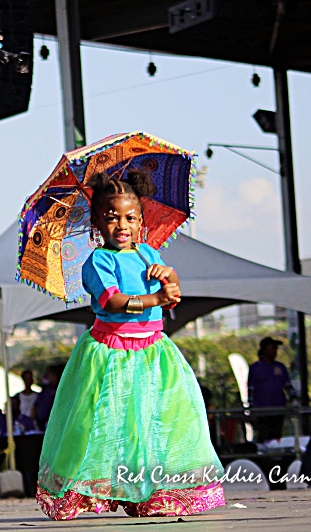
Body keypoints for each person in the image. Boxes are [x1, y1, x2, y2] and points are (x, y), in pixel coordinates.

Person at [35, 171, 225, 520]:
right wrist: (156, 297)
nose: (121, 225)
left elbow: (173, 283)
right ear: (96, 222)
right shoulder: (99, 261)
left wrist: (168, 278)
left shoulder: (147, 252)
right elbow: (112, 301)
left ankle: (148, 493)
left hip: (152, 352)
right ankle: (92, 491)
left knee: (152, 424)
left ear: (141, 220)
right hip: (110, 355)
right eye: (111, 218)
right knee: (107, 426)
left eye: (130, 218)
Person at [247, 337, 295, 442]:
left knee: (277, 435)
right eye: (272, 348)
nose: (275, 351)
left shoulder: (280, 367)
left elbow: (287, 385)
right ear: (264, 349)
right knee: (264, 434)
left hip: (279, 408)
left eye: (276, 349)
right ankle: (264, 456)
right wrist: (251, 407)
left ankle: (276, 455)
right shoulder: (255, 368)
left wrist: (293, 396)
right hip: (262, 408)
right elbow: (251, 389)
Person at [34, 365, 61, 432]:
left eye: (48, 375)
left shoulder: (59, 391)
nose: (46, 377)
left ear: (54, 376)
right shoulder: (44, 390)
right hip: (41, 424)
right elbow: (35, 406)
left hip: (53, 424)